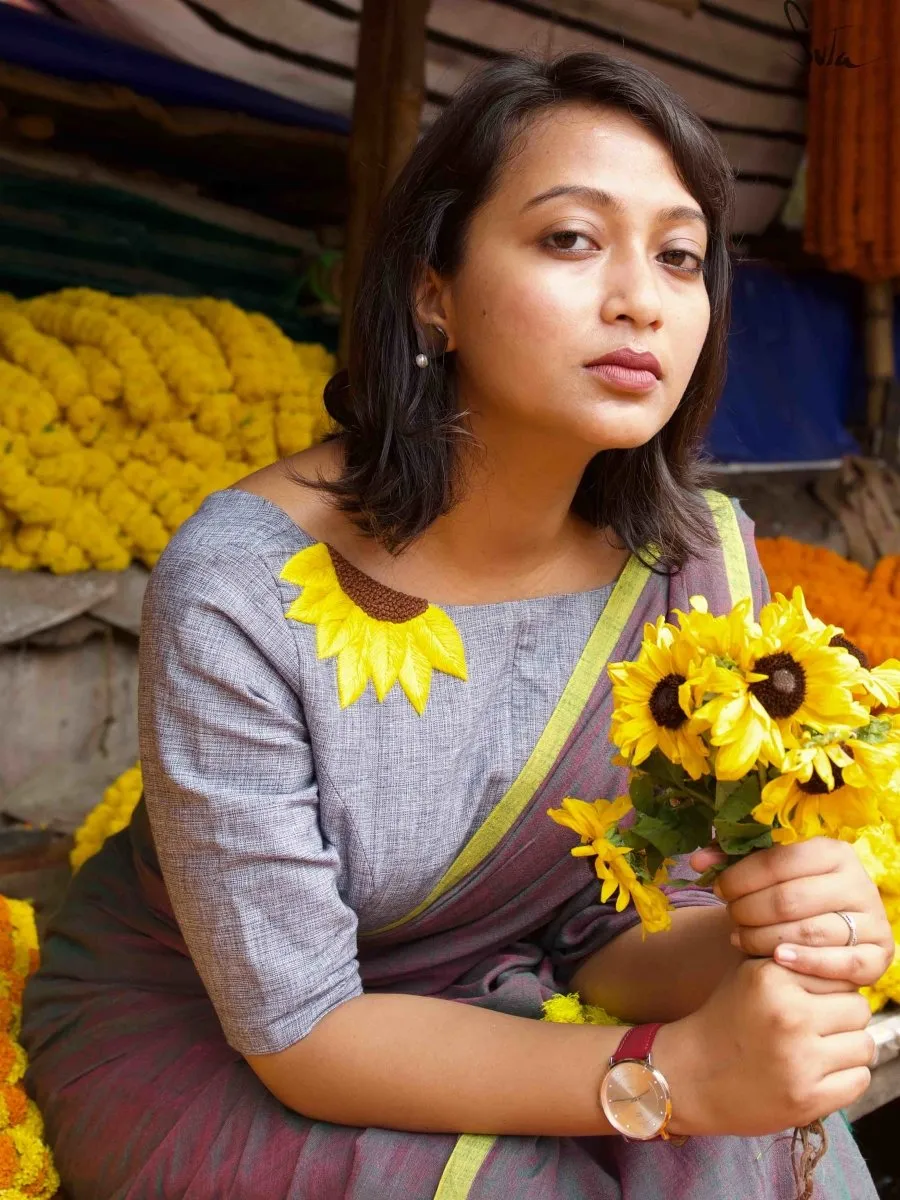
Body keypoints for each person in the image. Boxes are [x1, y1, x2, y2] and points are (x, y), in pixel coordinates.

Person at [22, 51, 890, 1199]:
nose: (641, 296)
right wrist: (672, 1071)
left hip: (510, 986)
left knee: (750, 1151)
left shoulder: (690, 557)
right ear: (434, 288)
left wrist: (767, 937)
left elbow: (611, 936)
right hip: (231, 1032)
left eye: (681, 257)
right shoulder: (247, 582)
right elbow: (303, 1034)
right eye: (571, 239)